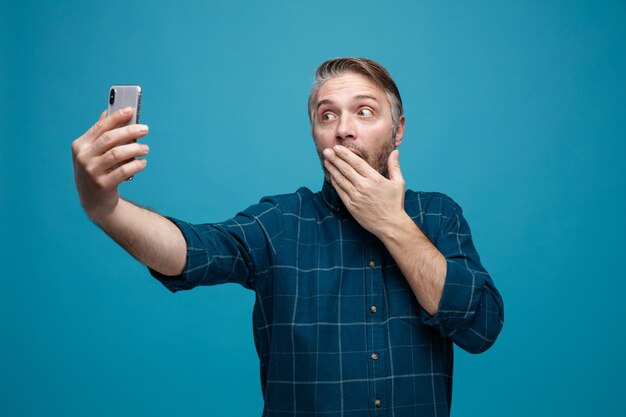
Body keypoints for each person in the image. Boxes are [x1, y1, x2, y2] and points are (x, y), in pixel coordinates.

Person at [72, 57, 504, 417]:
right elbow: (190, 251)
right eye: (327, 115)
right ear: (315, 134)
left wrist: (392, 223)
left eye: (365, 111)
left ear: (399, 129)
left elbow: (480, 328)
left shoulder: (438, 215)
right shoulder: (281, 221)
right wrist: (105, 208)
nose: (344, 129)